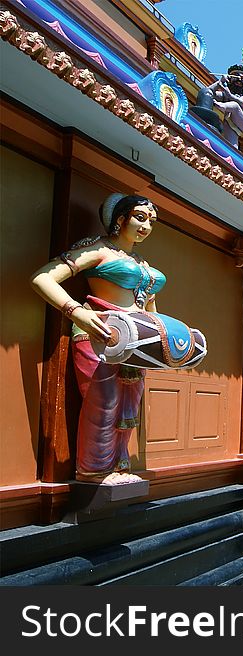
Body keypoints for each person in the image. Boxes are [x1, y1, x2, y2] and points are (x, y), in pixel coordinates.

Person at [30, 194, 163, 484]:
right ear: (120, 219)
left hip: (136, 339)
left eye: (151, 221)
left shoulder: (141, 262)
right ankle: (94, 470)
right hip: (100, 332)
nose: (146, 226)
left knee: (130, 406)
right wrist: (77, 313)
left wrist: (160, 336)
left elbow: (150, 305)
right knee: (103, 403)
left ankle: (119, 466)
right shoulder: (99, 249)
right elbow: (43, 278)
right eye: (140, 217)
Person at [205, 64, 243, 147]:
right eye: (236, 76)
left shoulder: (242, 97)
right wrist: (220, 82)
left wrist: (230, 96)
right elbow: (207, 91)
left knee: (235, 106)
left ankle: (223, 107)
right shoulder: (224, 95)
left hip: (241, 122)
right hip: (228, 122)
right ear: (230, 79)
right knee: (231, 144)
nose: (240, 79)